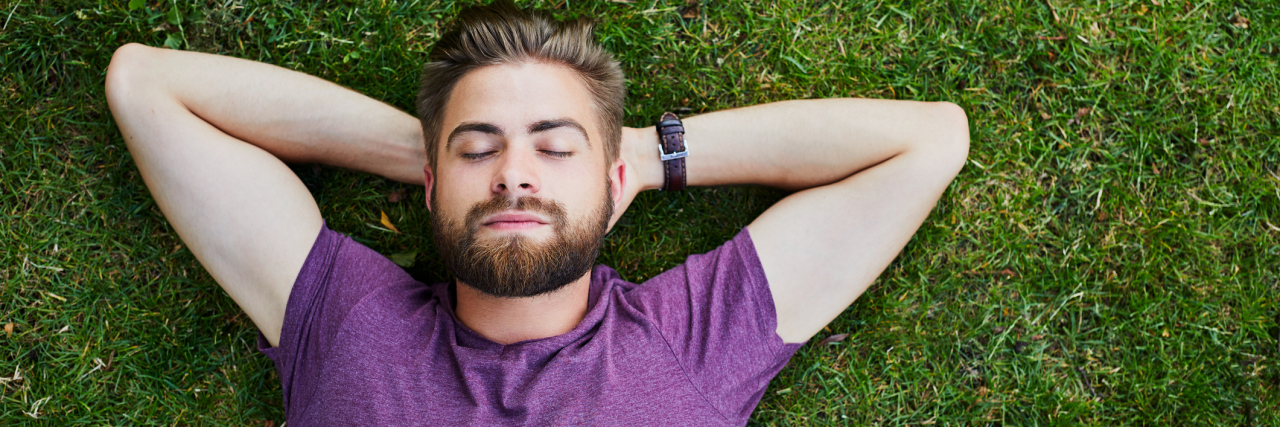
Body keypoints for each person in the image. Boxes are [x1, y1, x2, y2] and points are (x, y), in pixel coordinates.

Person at [104, 1, 968, 424]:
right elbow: (146, 86)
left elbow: (928, 143)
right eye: (482, 150)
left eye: (555, 149)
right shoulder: (350, 321)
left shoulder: (691, 339)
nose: (515, 175)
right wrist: (441, 149)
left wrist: (654, 159)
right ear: (432, 186)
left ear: (610, 178)